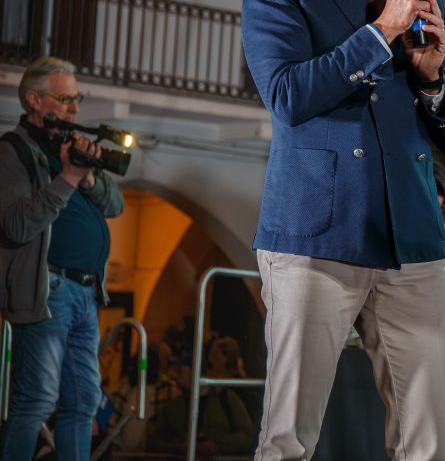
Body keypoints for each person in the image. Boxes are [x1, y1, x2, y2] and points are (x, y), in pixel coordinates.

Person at [241, 0, 445, 460]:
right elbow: (288, 96)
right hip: (316, 237)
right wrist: (381, 32)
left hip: (412, 242)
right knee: (288, 438)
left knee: (429, 440)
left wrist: (433, 81)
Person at [0, 56, 125, 461]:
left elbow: (116, 204)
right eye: (64, 99)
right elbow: (16, 225)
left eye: (76, 99)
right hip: (47, 290)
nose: (73, 109)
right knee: (36, 400)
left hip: (86, 293)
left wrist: (86, 177)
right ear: (34, 100)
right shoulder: (13, 151)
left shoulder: (68, 147)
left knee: (84, 402)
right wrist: (68, 178)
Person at [147, 351, 255, 456]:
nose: (175, 376)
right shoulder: (172, 407)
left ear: (195, 373)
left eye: (180, 372)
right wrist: (178, 446)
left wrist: (217, 445)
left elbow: (246, 436)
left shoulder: (226, 399)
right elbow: (155, 440)